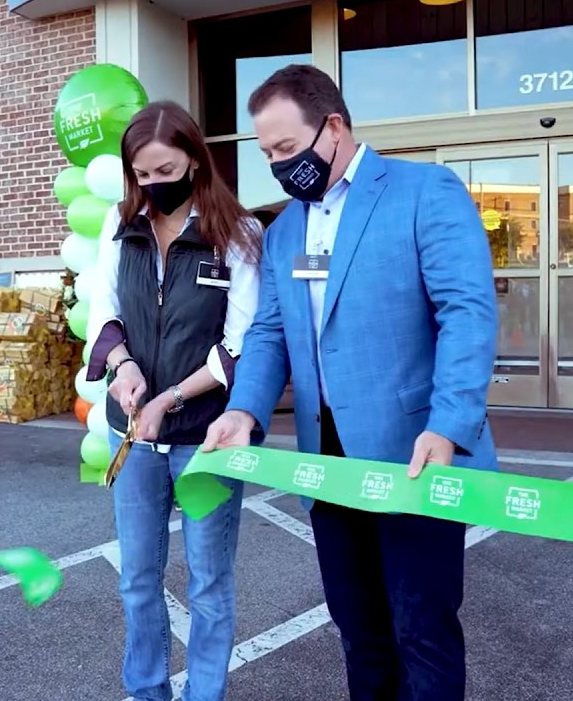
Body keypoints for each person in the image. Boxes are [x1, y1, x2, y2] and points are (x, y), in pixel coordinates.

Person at [202, 64, 499, 700]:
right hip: (326, 462)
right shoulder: (284, 230)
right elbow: (269, 332)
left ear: (333, 127)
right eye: (267, 154)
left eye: (286, 147)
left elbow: (466, 313)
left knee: (422, 630)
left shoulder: (424, 191)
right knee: (359, 631)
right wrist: (244, 410)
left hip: (415, 452)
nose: (278, 165)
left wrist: (449, 425)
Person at [84, 100, 262, 701]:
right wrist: (124, 365)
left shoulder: (237, 235)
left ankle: (204, 695)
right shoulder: (119, 225)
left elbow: (240, 344)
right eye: (141, 173)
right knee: (137, 578)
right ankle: (147, 691)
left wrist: (171, 398)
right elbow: (104, 311)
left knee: (209, 583)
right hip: (132, 436)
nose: (153, 183)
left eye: (165, 170)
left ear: (194, 161)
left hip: (208, 438)